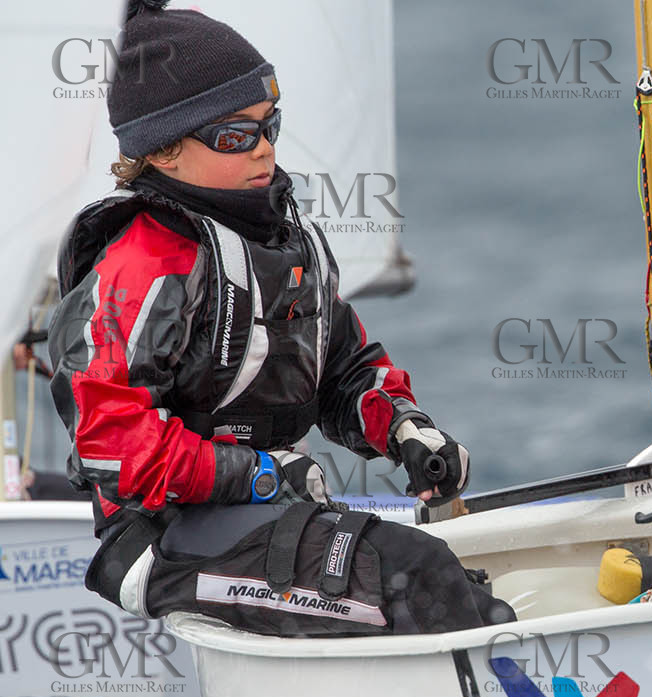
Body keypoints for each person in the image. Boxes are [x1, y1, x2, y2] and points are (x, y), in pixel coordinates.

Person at [47, 0, 514, 636]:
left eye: (271, 125)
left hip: (255, 512)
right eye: (237, 136)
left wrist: (405, 429)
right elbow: (113, 446)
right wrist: (259, 474)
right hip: (163, 541)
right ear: (163, 151)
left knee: (462, 590)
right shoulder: (142, 268)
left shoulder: (283, 245)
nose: (265, 149)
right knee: (416, 579)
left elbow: (343, 369)